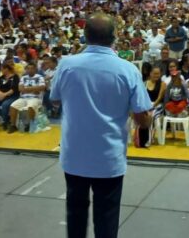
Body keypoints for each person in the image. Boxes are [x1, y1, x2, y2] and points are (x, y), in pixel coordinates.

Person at [49, 13, 152, 238]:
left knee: (75, 215)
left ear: (85, 36)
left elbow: (55, 101)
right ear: (114, 37)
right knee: (106, 217)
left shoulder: (66, 65)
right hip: (108, 157)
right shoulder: (127, 70)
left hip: (74, 155)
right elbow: (142, 118)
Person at [9, 62, 46, 133]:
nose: (30, 70)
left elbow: (42, 87)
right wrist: (34, 89)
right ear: (26, 70)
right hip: (23, 98)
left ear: (35, 69)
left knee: (30, 106)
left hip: (35, 98)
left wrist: (26, 89)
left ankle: (29, 124)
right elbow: (20, 89)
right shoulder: (23, 77)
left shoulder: (40, 77)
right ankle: (13, 125)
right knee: (12, 106)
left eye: (32, 68)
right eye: (28, 69)